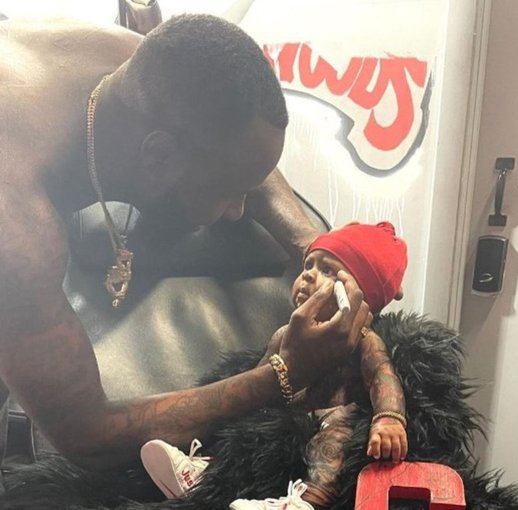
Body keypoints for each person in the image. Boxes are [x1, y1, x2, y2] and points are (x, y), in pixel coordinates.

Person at [0, 14, 370, 470]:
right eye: (228, 192)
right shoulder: (17, 232)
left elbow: (238, 149)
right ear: (158, 155)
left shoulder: (139, 61)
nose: (238, 211)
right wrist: (285, 372)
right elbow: (85, 433)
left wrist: (317, 247)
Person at [140, 222, 409, 509]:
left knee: (336, 440)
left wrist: (389, 418)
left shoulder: (365, 341)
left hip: (336, 415)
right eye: (308, 264)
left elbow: (381, 375)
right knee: (250, 423)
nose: (308, 274)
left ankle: (304, 503)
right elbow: (258, 380)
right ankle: (207, 472)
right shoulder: (285, 334)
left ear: (360, 296)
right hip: (290, 412)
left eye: (328, 270)